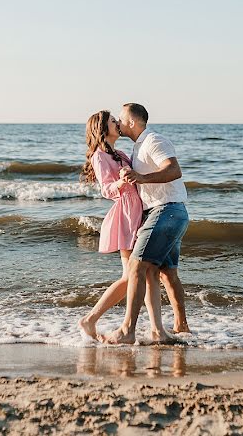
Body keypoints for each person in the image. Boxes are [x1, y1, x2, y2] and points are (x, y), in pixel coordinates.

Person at [77, 110, 175, 343]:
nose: (118, 123)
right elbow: (106, 190)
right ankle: (90, 320)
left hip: (139, 211)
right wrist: (122, 181)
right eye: (113, 121)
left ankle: (157, 330)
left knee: (150, 273)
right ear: (102, 129)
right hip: (125, 215)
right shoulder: (99, 156)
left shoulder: (120, 153)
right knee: (131, 275)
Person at [102, 103, 190, 345]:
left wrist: (141, 178)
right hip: (170, 211)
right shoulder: (138, 147)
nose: (117, 123)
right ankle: (181, 327)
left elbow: (174, 169)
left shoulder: (153, 140)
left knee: (136, 268)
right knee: (167, 273)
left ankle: (127, 330)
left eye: (120, 119)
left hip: (166, 211)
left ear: (131, 121)